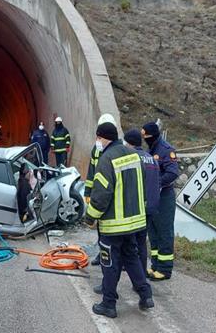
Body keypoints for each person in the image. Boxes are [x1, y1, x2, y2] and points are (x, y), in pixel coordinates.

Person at [83, 122, 154, 318]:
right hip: (134, 223)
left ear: (103, 137)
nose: (97, 141)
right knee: (131, 258)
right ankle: (146, 294)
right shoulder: (132, 155)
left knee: (110, 263)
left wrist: (90, 217)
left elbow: (101, 196)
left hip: (114, 225)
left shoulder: (106, 160)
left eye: (98, 137)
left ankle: (108, 304)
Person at [142, 121, 179, 281]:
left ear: (154, 136)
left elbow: (172, 173)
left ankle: (165, 269)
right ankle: (156, 264)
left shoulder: (166, 150)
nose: (146, 140)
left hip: (164, 196)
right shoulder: (150, 149)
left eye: (148, 137)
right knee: (153, 231)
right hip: (153, 197)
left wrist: (156, 184)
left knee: (164, 232)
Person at [124, 129, 160, 275]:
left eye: (126, 142)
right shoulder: (151, 159)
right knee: (142, 242)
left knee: (129, 243)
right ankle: (142, 273)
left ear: (130, 143)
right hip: (151, 207)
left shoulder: (131, 159)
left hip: (136, 208)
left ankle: (135, 274)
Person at [85, 113, 118, 267]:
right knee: (101, 227)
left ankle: (116, 258)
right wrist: (87, 192)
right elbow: (91, 172)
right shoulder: (96, 150)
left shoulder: (118, 150)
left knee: (114, 230)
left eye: (101, 136)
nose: (98, 140)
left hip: (113, 193)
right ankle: (102, 253)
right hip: (100, 192)